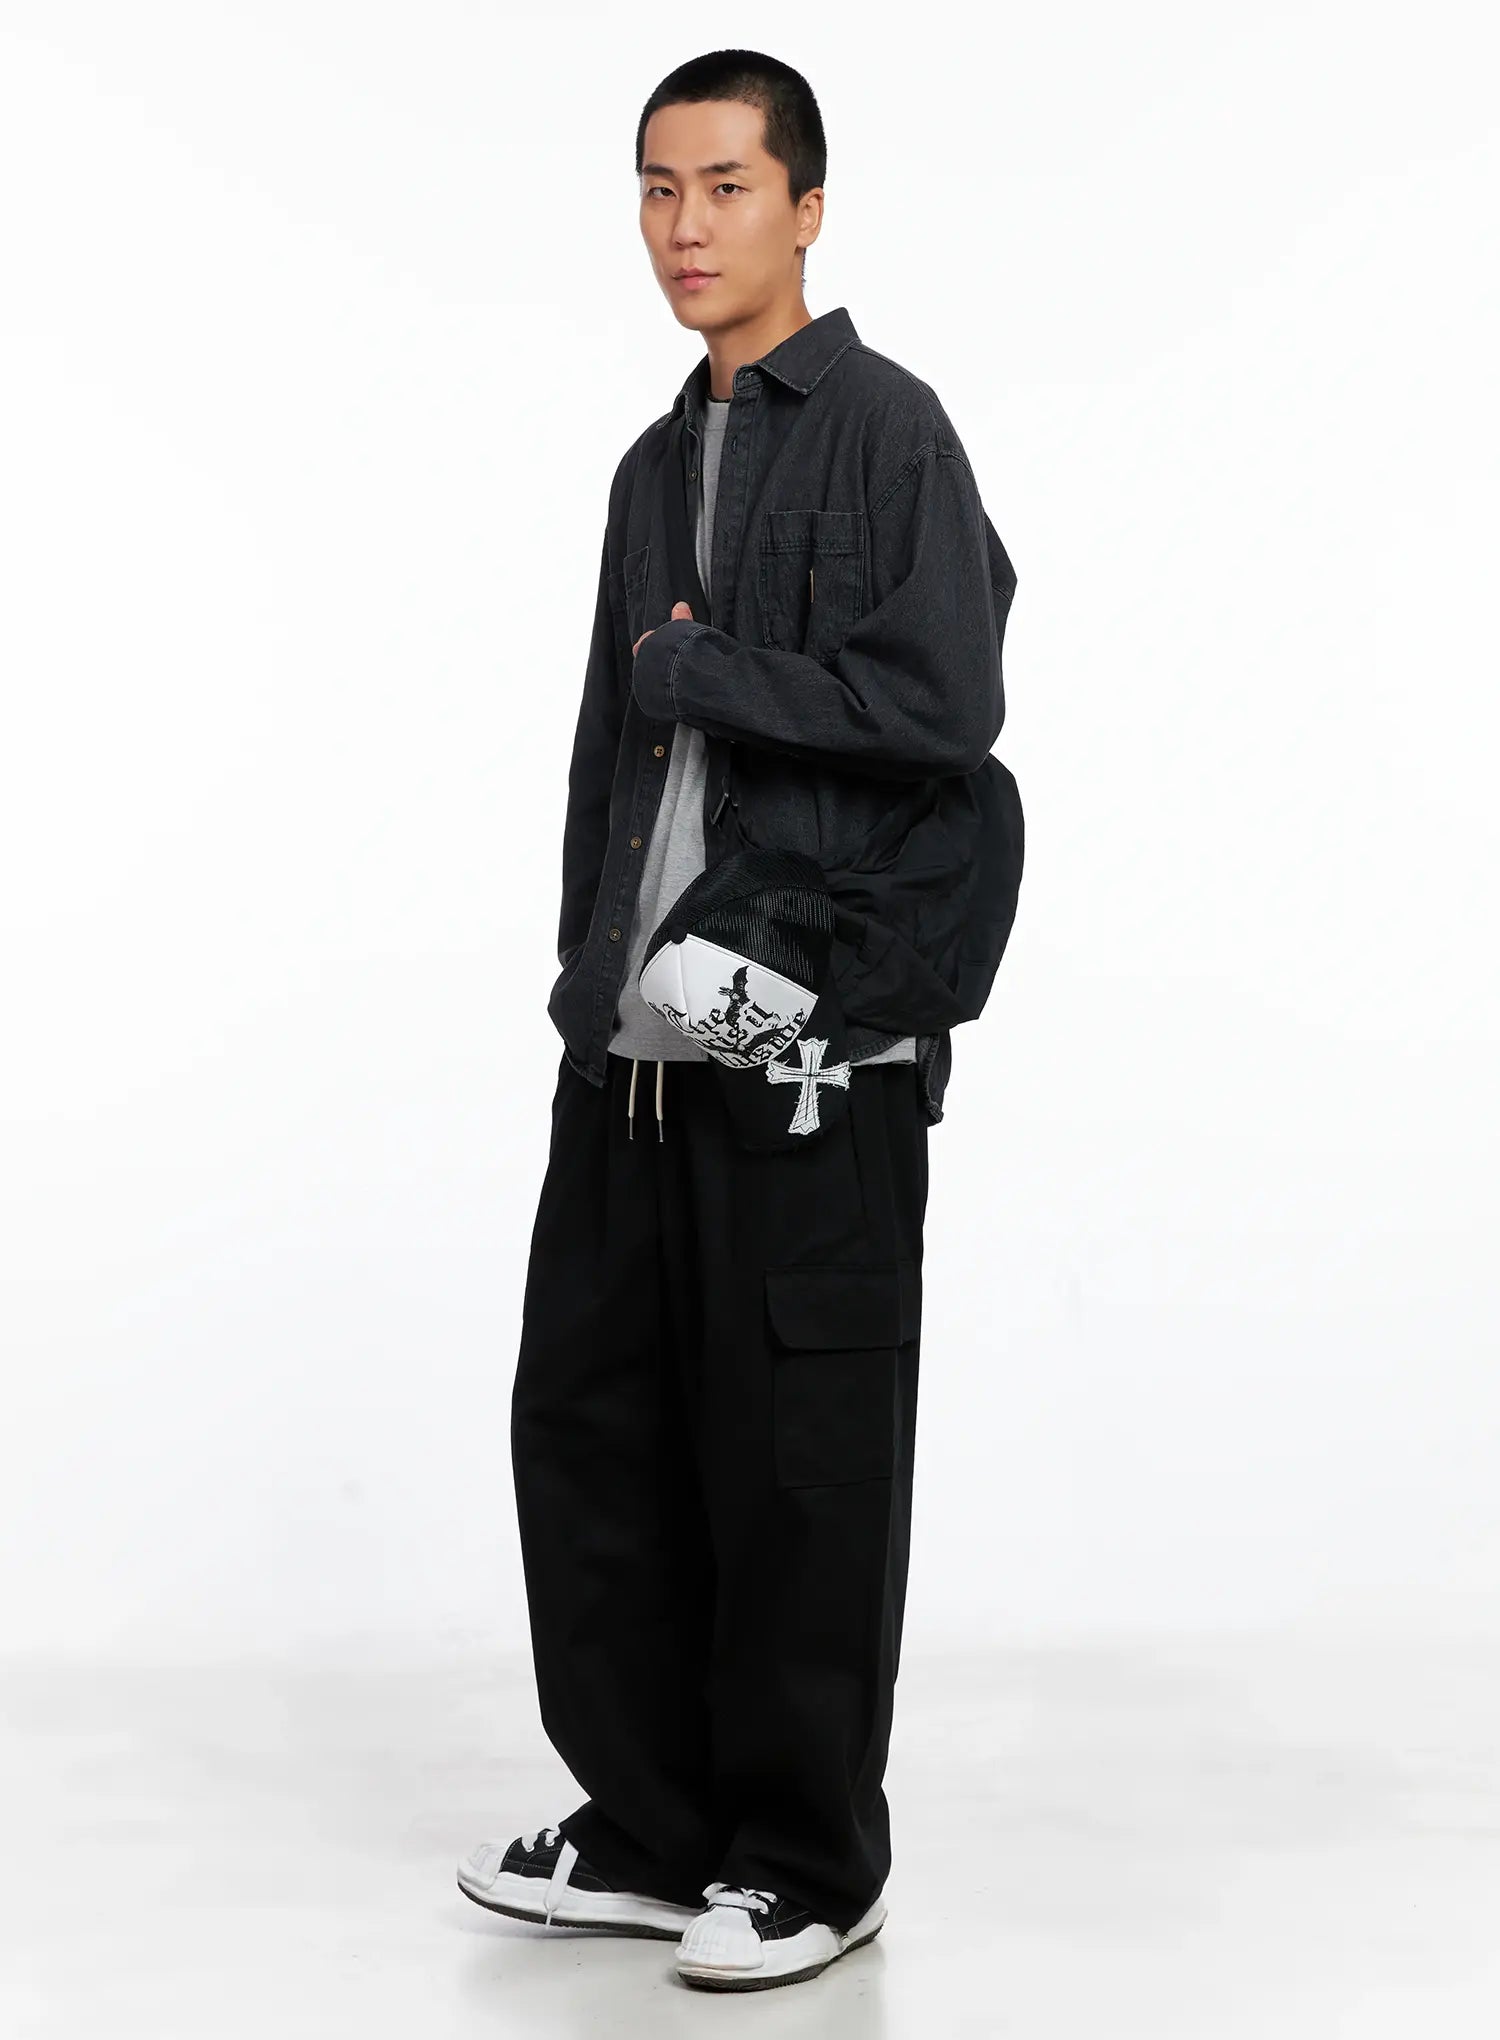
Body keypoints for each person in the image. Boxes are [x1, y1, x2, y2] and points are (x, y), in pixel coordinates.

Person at [458, 47, 1017, 1993]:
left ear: (807, 207)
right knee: (597, 1436)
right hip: (632, 1051)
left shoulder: (888, 431)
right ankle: (650, 1827)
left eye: (724, 186)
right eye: (655, 188)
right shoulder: (646, 466)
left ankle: (807, 1860)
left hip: (806, 1054)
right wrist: (583, 983)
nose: (683, 227)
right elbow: (608, 753)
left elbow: (945, 709)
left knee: (800, 1466)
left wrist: (718, 673)